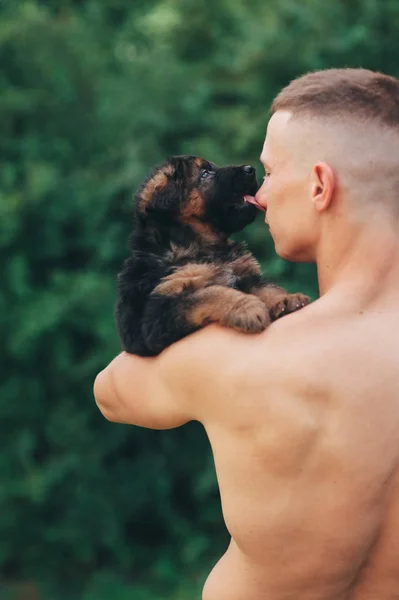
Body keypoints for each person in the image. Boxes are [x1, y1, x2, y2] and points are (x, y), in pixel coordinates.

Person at [94, 68, 399, 599]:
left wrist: (188, 286)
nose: (259, 194)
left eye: (270, 170)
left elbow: (112, 392)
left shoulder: (231, 359)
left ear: (319, 186)